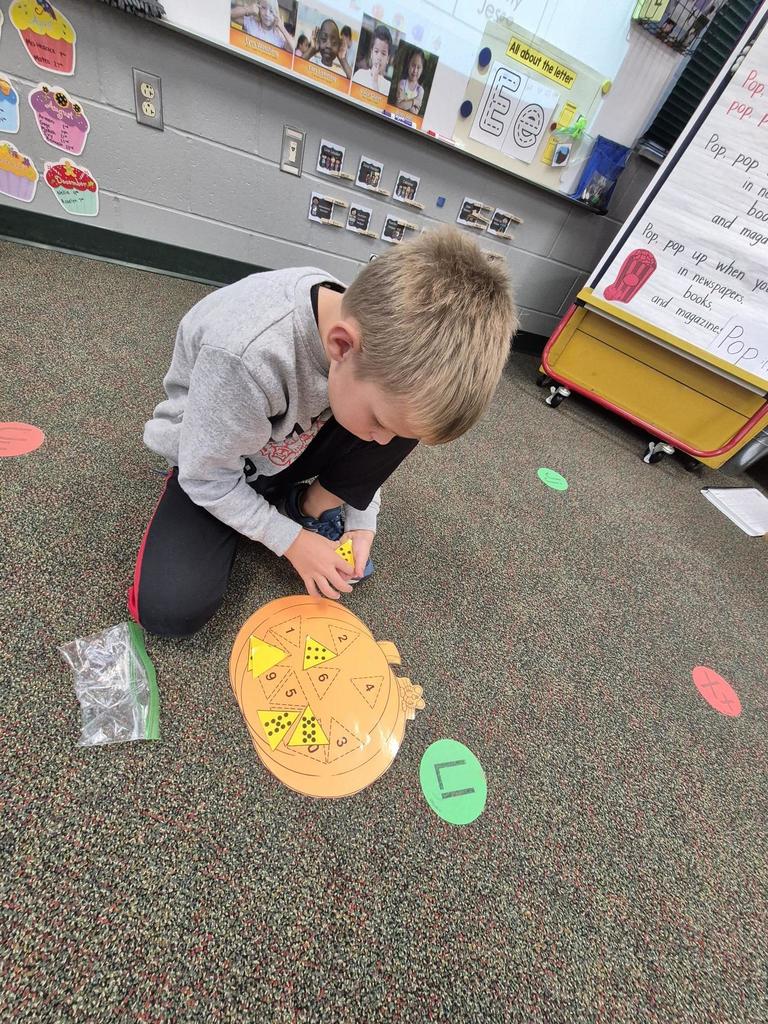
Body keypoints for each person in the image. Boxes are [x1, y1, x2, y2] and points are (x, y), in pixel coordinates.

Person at [129, 230, 518, 637]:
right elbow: (205, 476)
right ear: (341, 346)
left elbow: (380, 428)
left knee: (403, 422)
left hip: (290, 445)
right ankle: (282, 507)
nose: (382, 444)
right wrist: (292, 542)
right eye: (379, 424)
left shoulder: (376, 344)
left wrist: (361, 521)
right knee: (171, 609)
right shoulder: (248, 356)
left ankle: (304, 504)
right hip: (217, 460)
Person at [352, 23, 393, 96]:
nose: (379, 57)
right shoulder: (359, 74)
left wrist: (375, 81)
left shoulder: (388, 87)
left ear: (388, 59)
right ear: (371, 53)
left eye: (383, 54)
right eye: (376, 51)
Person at [396, 48, 425, 115]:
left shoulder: (420, 90)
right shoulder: (402, 83)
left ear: (422, 70)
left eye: (418, 67)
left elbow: (415, 112)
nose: (415, 70)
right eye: (413, 65)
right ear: (409, 65)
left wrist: (404, 100)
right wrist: (414, 101)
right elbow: (398, 105)